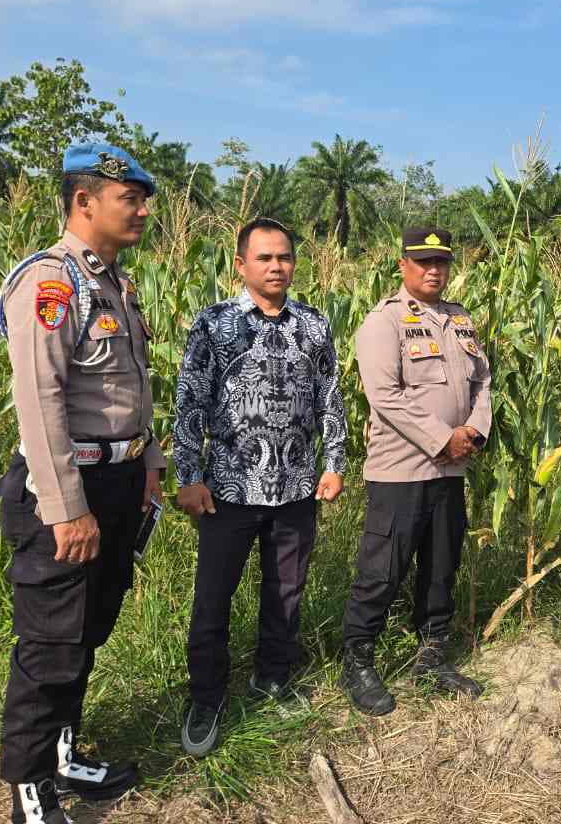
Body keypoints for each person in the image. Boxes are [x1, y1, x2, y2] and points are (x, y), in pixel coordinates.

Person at [0, 143, 163, 824]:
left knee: (90, 628)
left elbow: (132, 391)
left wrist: (148, 469)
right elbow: (40, 402)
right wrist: (66, 509)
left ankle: (64, 753)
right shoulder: (51, 283)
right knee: (51, 642)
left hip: (119, 480)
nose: (145, 211)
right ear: (84, 200)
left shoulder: (113, 283)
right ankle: (29, 785)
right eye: (133, 198)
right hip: (70, 487)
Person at [173, 218, 346, 756]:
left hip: (296, 487)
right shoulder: (215, 324)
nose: (276, 266)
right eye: (265, 258)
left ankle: (272, 677)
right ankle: (206, 697)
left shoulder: (315, 326)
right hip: (228, 487)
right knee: (213, 601)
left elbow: (329, 399)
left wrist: (334, 462)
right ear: (241, 264)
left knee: (285, 593)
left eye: (285, 257)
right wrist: (188, 475)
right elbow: (190, 402)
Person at [338, 227, 492, 715]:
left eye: (441, 262)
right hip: (402, 470)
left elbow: (482, 381)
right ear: (403, 264)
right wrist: (442, 437)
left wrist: (474, 431)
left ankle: (432, 655)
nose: (433, 270)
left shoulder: (461, 320)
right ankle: (358, 660)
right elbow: (385, 394)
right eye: (423, 261)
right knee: (382, 569)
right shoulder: (384, 322)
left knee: (441, 565)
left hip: (452, 471)